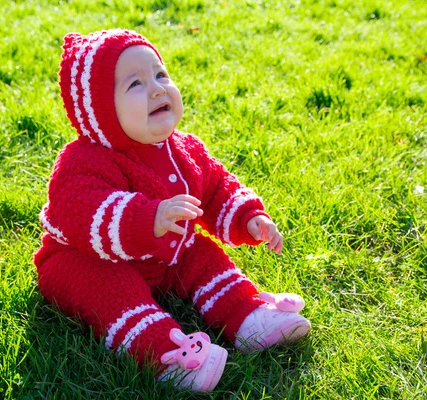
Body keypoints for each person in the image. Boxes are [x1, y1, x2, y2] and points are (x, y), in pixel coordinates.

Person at [33, 29, 310, 393]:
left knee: (202, 254)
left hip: (166, 251)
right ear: (100, 109)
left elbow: (215, 188)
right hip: (87, 259)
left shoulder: (185, 149)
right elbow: (83, 211)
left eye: (160, 75)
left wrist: (247, 217)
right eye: (135, 84)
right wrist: (147, 218)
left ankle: (247, 314)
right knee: (113, 291)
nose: (158, 89)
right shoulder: (82, 161)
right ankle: (165, 353)